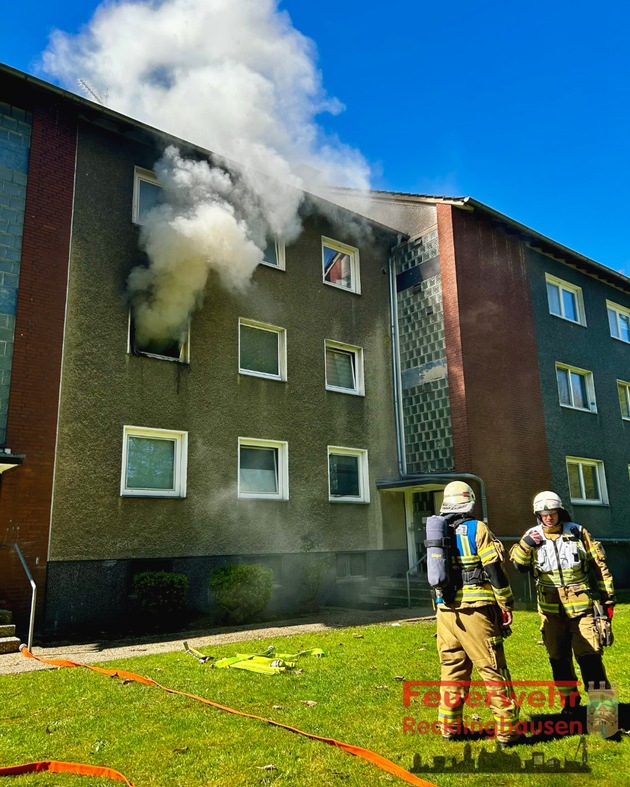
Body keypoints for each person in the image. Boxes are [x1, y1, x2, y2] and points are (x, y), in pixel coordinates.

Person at [431, 481, 521, 746]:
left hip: (446, 612)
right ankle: (507, 732)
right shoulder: (477, 528)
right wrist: (506, 604)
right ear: (469, 501)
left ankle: (449, 728)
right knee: (493, 669)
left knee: (452, 670)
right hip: (477, 612)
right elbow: (493, 569)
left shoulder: (438, 530)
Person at [510, 491, 615, 714]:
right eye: (544, 514)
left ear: (560, 512)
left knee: (590, 658)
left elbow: (599, 566)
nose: (549, 518)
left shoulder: (577, 532)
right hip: (550, 613)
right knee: (558, 659)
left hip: (583, 610)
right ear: (538, 514)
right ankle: (570, 704)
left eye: (553, 513)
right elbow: (518, 565)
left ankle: (604, 713)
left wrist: (609, 601)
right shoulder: (531, 535)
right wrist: (527, 544)